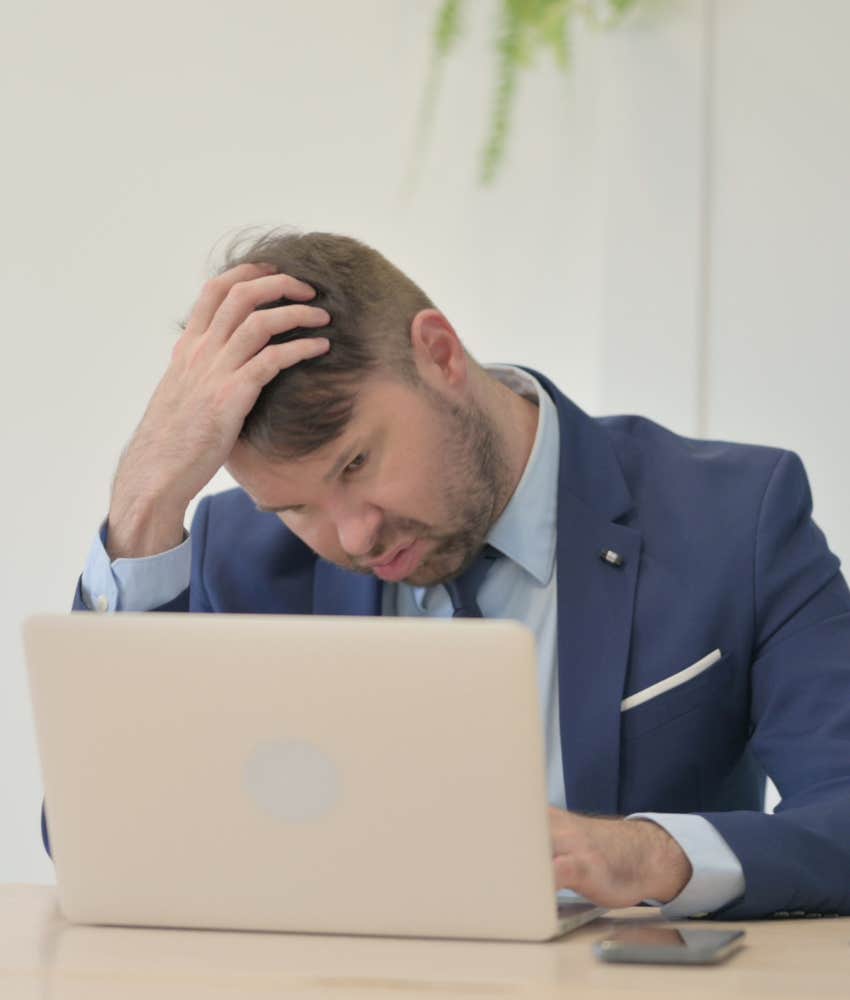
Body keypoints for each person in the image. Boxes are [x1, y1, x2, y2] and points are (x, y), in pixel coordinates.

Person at [57, 227, 850, 920]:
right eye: (296, 508)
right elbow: (96, 842)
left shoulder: (734, 518)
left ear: (438, 355)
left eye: (359, 462)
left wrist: (647, 855)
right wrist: (142, 506)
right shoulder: (242, 553)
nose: (354, 533)